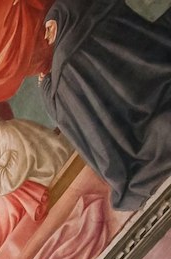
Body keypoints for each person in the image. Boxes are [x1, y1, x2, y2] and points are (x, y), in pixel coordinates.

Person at [39, 0, 171, 211]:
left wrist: (47, 90)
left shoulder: (63, 71)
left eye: (49, 28)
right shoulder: (107, 9)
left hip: (137, 149)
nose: (46, 37)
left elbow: (67, 118)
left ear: (63, 17)